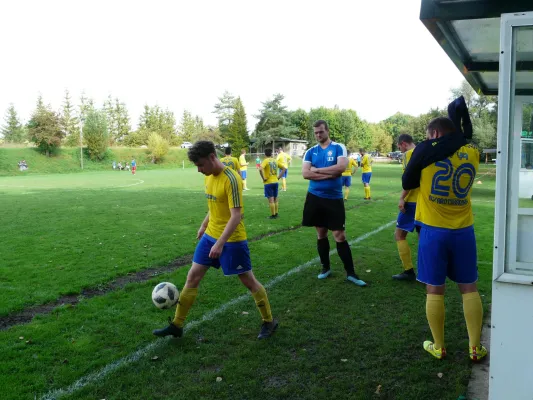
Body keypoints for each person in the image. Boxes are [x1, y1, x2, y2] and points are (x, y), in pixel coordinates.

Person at [153, 141, 278, 340]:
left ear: (212, 157)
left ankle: (269, 321)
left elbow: (236, 216)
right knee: (192, 277)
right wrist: (204, 225)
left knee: (248, 281)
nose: (199, 170)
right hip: (211, 235)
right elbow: (213, 206)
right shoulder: (209, 177)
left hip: (232, 239)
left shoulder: (232, 178)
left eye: (201, 165)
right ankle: (177, 325)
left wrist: (220, 243)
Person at [403, 97, 487, 362]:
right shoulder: (472, 153)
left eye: (429, 136)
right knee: (469, 288)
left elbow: (411, 179)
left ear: (435, 134)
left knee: (434, 289)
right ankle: (475, 347)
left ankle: (439, 346)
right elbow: (461, 140)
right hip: (463, 230)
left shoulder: (424, 155)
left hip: (433, 230)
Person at [301, 120, 366, 287]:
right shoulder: (310, 151)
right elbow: (305, 174)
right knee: (321, 234)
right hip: (315, 197)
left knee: (340, 235)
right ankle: (325, 268)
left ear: (327, 130)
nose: (318, 135)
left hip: (334, 198)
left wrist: (318, 170)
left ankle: (351, 273)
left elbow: (341, 168)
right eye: (315, 133)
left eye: (321, 132)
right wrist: (328, 174)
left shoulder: (339, 147)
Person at [393, 134, 419, 281]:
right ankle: (426, 274)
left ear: (403, 143)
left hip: (412, 201)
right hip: (425, 201)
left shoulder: (409, 154)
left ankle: (408, 271)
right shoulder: (424, 151)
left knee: (399, 235)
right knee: (423, 238)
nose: (399, 149)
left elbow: (410, 179)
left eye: (398, 146)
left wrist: (402, 197)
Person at [259, 148, 286, 219]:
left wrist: (263, 178)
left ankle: (273, 215)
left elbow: (260, 169)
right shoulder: (275, 160)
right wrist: (279, 177)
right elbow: (284, 168)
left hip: (268, 182)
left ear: (265, 154)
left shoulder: (265, 161)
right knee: (275, 198)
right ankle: (276, 214)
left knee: (271, 199)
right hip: (275, 182)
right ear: (271, 154)